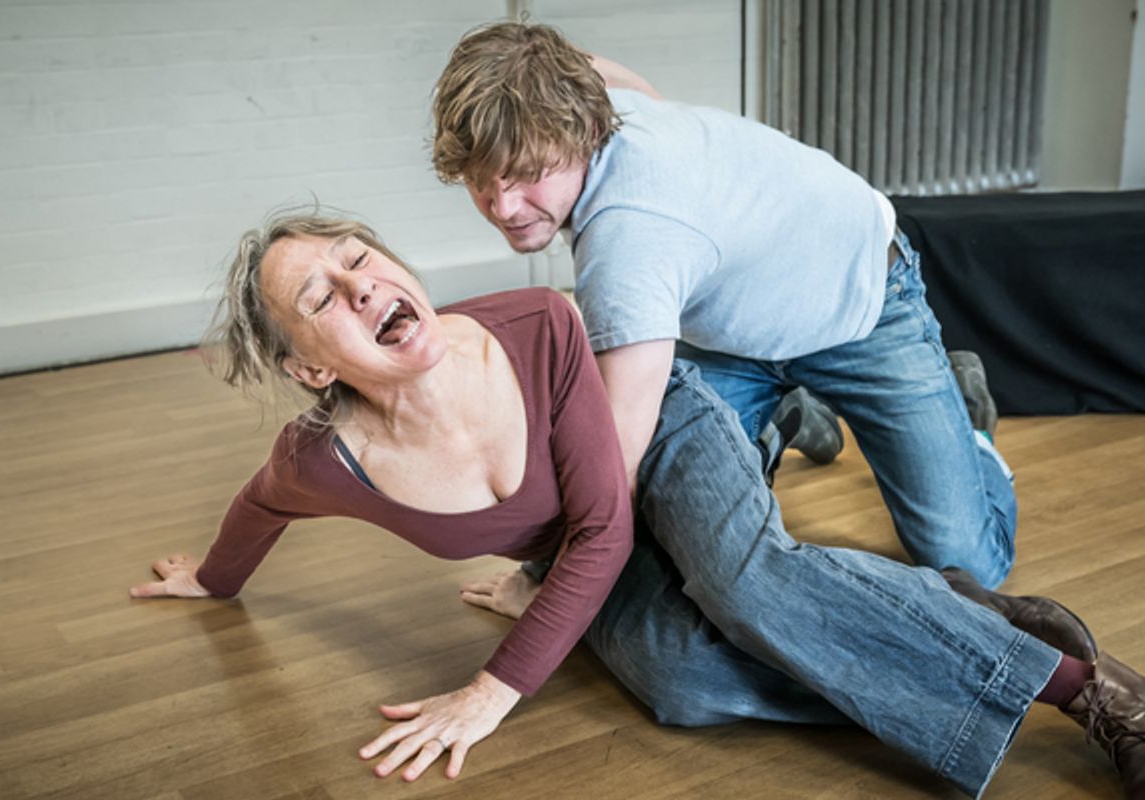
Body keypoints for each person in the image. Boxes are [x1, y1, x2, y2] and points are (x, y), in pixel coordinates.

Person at [130, 211, 1144, 796]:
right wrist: (211, 582)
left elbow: (608, 520)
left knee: (747, 580)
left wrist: (496, 685)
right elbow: (258, 505)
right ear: (310, 370)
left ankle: (1081, 689)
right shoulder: (326, 458)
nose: (356, 284)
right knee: (679, 680)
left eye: (355, 255)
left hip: (660, 435)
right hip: (581, 535)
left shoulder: (536, 323)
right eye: (318, 298)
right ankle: (971, 618)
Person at [432, 21, 1016, 591]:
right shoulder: (574, 90)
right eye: (482, 180)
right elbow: (579, 62)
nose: (504, 206)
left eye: (527, 174)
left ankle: (970, 433)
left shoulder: (628, 243)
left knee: (968, 567)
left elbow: (613, 464)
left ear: (583, 128)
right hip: (733, 332)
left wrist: (542, 583)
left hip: (860, 301)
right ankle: (790, 413)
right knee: (681, 516)